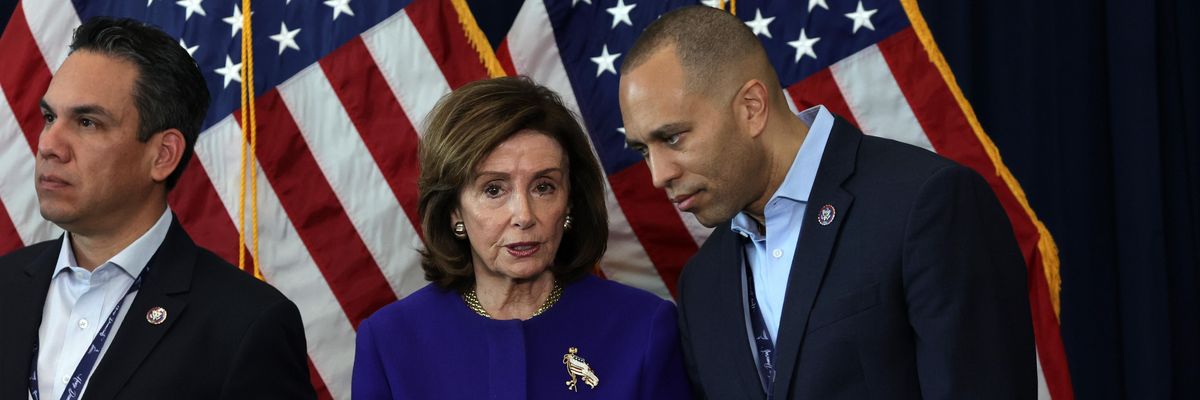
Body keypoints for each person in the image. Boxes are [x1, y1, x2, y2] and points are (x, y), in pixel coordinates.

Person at [618, 6, 1034, 400]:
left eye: (672, 137)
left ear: (751, 108)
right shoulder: (700, 284)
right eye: (642, 150)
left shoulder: (927, 204)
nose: (658, 175)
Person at [0, 17, 315, 399]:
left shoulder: (247, 325)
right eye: (50, 117)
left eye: (86, 122)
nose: (49, 144)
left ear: (163, 155)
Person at [352, 76, 691, 399]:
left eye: (544, 187)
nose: (524, 215)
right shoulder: (388, 342)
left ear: (569, 201)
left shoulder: (644, 327)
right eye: (493, 189)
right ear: (454, 211)